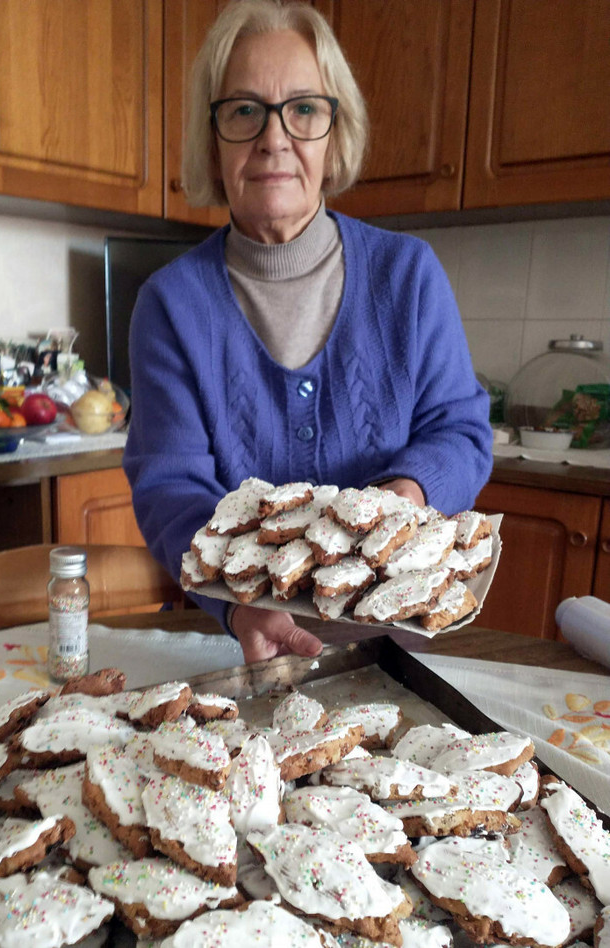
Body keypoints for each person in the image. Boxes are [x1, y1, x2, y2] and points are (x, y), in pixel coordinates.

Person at [123, 0, 493, 664]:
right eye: (243, 110)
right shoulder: (170, 305)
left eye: (303, 109)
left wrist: (403, 500)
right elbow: (169, 485)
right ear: (212, 138)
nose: (274, 138)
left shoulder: (407, 276)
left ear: (333, 131)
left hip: (400, 648)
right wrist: (240, 609)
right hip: (240, 648)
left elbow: (461, 432)